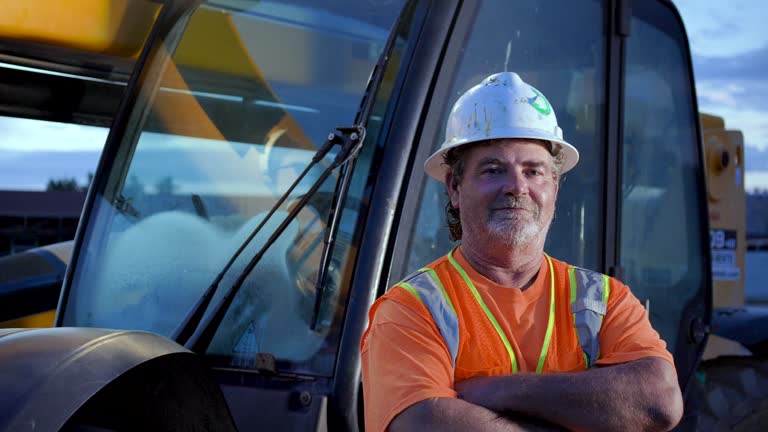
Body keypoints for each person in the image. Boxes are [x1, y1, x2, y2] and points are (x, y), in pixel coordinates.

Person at [360, 72, 683, 432]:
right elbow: (423, 424)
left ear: (555, 188)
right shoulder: (410, 310)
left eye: (533, 171)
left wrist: (497, 390)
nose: (517, 187)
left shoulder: (605, 299)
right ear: (454, 186)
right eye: (494, 169)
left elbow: (660, 400)